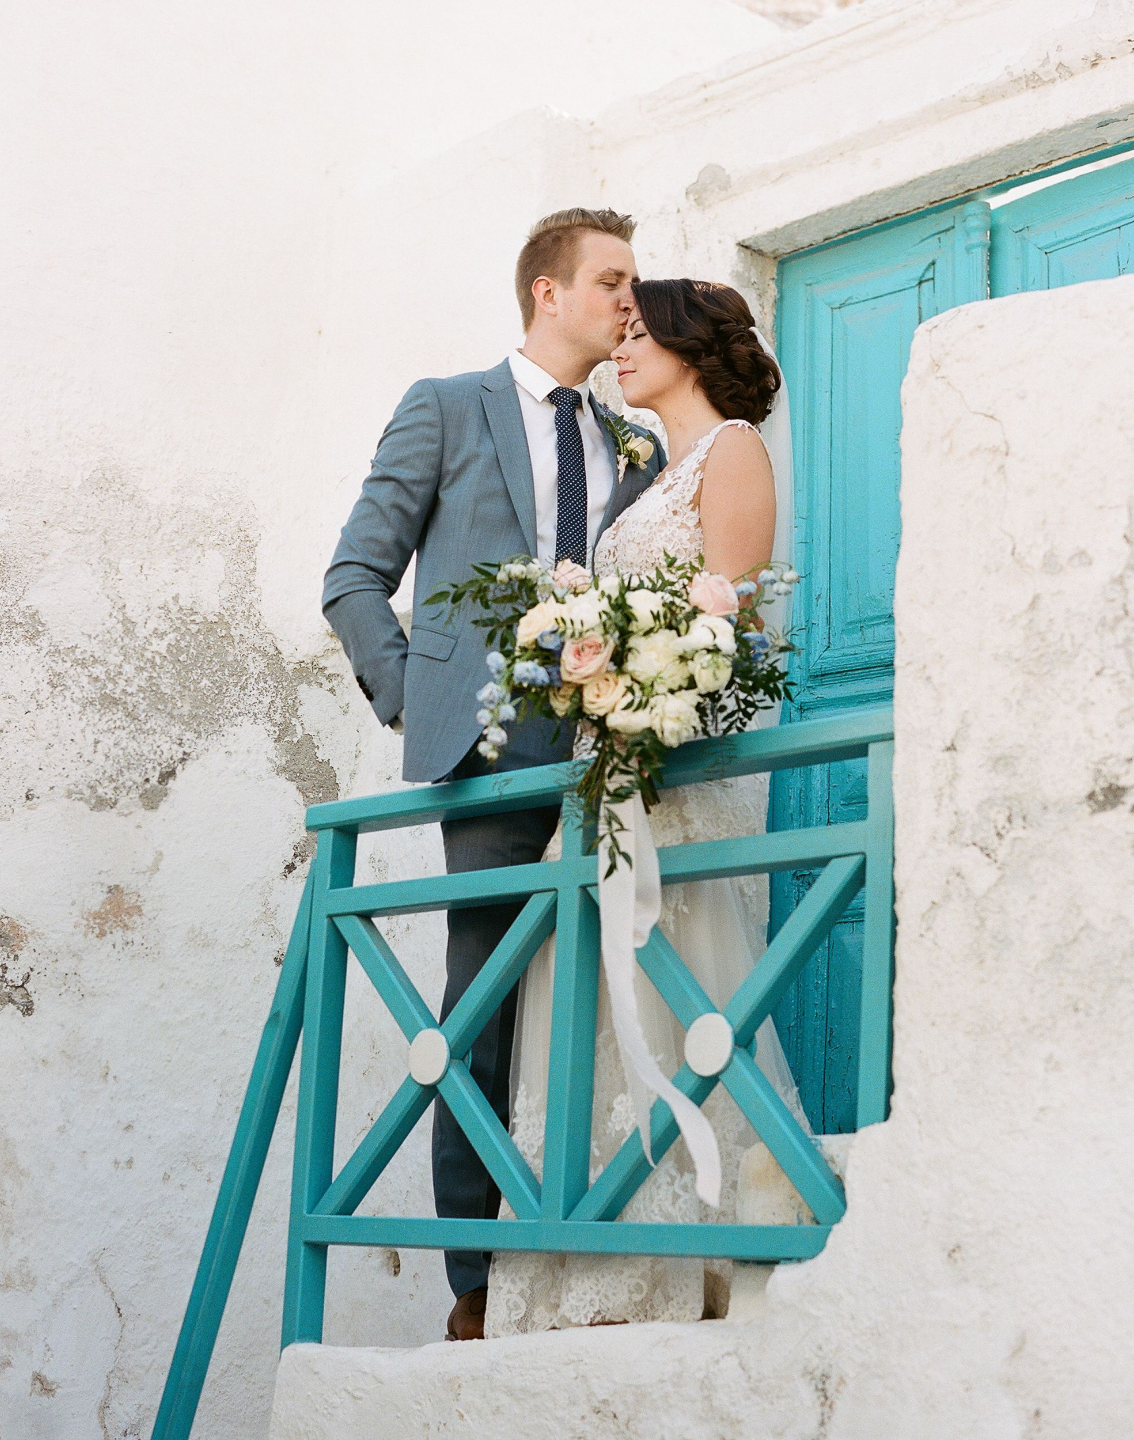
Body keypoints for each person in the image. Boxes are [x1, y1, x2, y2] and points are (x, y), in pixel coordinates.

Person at [322, 209, 666, 1341]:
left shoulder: (637, 445)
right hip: (487, 758)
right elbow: (354, 577)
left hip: (611, 755)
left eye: (635, 283)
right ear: (546, 293)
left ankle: (595, 1252)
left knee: (609, 999)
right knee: (481, 1011)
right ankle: (474, 1282)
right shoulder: (445, 406)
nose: (629, 302)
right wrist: (417, 702)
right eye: (611, 281)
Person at [484, 278, 810, 1336]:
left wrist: (649, 683)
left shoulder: (732, 453)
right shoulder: (652, 475)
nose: (619, 351)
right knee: (587, 992)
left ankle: (695, 1254)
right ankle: (581, 1260)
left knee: (679, 985)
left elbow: (729, 629)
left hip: (671, 774)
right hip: (605, 768)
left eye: (637, 334)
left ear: (688, 345)